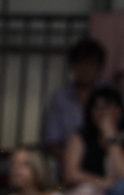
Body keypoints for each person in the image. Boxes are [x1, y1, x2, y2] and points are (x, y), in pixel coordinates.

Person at [42, 38, 106, 168]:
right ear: (73, 65)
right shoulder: (60, 98)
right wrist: (72, 162)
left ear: (100, 67)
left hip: (104, 163)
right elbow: (51, 142)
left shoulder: (109, 94)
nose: (85, 68)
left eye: (91, 63)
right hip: (67, 163)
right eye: (81, 62)